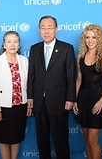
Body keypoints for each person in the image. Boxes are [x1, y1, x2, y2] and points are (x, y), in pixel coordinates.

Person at [27, 15, 76, 159]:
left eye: (49, 27)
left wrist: (70, 98)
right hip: (39, 102)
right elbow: (31, 75)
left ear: (56, 29)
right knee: (42, 140)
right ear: (39, 30)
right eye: (43, 28)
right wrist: (30, 96)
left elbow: (71, 76)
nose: (46, 31)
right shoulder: (34, 49)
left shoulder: (66, 48)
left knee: (60, 140)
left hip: (59, 102)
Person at [73, 24, 102, 159]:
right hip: (82, 100)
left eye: (94, 37)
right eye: (87, 37)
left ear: (100, 39)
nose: (90, 40)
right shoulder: (80, 57)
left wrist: (101, 101)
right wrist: (74, 100)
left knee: (93, 140)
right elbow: (79, 80)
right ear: (84, 39)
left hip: (98, 100)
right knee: (86, 138)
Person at [0, 31, 32, 159]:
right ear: (4, 44)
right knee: (4, 139)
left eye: (15, 41)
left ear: (19, 45)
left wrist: (29, 105)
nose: (12, 44)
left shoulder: (24, 61)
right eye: (9, 41)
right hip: (4, 107)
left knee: (16, 138)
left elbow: (28, 84)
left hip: (20, 106)